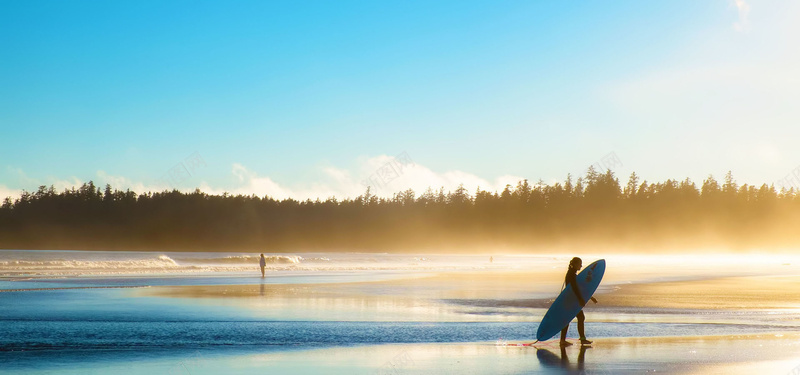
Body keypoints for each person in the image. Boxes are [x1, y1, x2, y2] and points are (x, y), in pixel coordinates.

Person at [560, 257, 597, 347]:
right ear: (575, 264)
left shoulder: (573, 274)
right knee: (577, 317)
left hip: (571, 299)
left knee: (575, 318)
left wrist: (590, 297)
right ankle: (574, 340)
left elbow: (580, 287)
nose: (581, 265)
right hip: (570, 299)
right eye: (579, 264)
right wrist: (580, 299)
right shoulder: (571, 275)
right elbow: (574, 288)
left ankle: (564, 340)